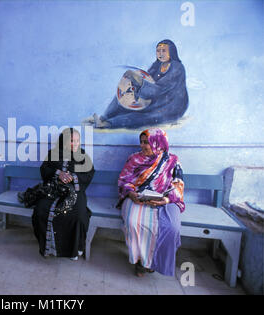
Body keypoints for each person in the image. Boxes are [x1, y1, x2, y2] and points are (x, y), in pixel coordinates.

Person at [117, 128, 184, 277]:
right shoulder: (134, 158)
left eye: (146, 142)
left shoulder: (172, 160)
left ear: (158, 142)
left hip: (166, 199)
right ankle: (141, 261)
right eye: (141, 142)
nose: (142, 145)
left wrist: (165, 199)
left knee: (171, 227)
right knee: (133, 222)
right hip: (137, 197)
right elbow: (124, 180)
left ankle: (156, 261)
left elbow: (179, 183)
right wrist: (130, 193)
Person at [88, 39, 188, 129]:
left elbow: (158, 90)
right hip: (154, 100)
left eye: (164, 51)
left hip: (170, 107)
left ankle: (108, 123)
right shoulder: (157, 65)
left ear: (172, 52)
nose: (160, 53)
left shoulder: (177, 68)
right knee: (123, 96)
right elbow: (149, 81)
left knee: (140, 117)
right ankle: (104, 117)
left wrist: (137, 80)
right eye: (158, 51)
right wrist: (133, 86)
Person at [32, 128, 95, 260]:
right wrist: (58, 173)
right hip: (54, 190)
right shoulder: (53, 153)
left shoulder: (83, 156)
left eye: (78, 141)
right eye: (72, 141)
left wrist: (73, 177)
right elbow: (44, 168)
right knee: (41, 210)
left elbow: (89, 173)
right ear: (65, 141)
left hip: (75, 192)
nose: (76, 143)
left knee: (77, 215)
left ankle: (74, 249)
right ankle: (48, 247)